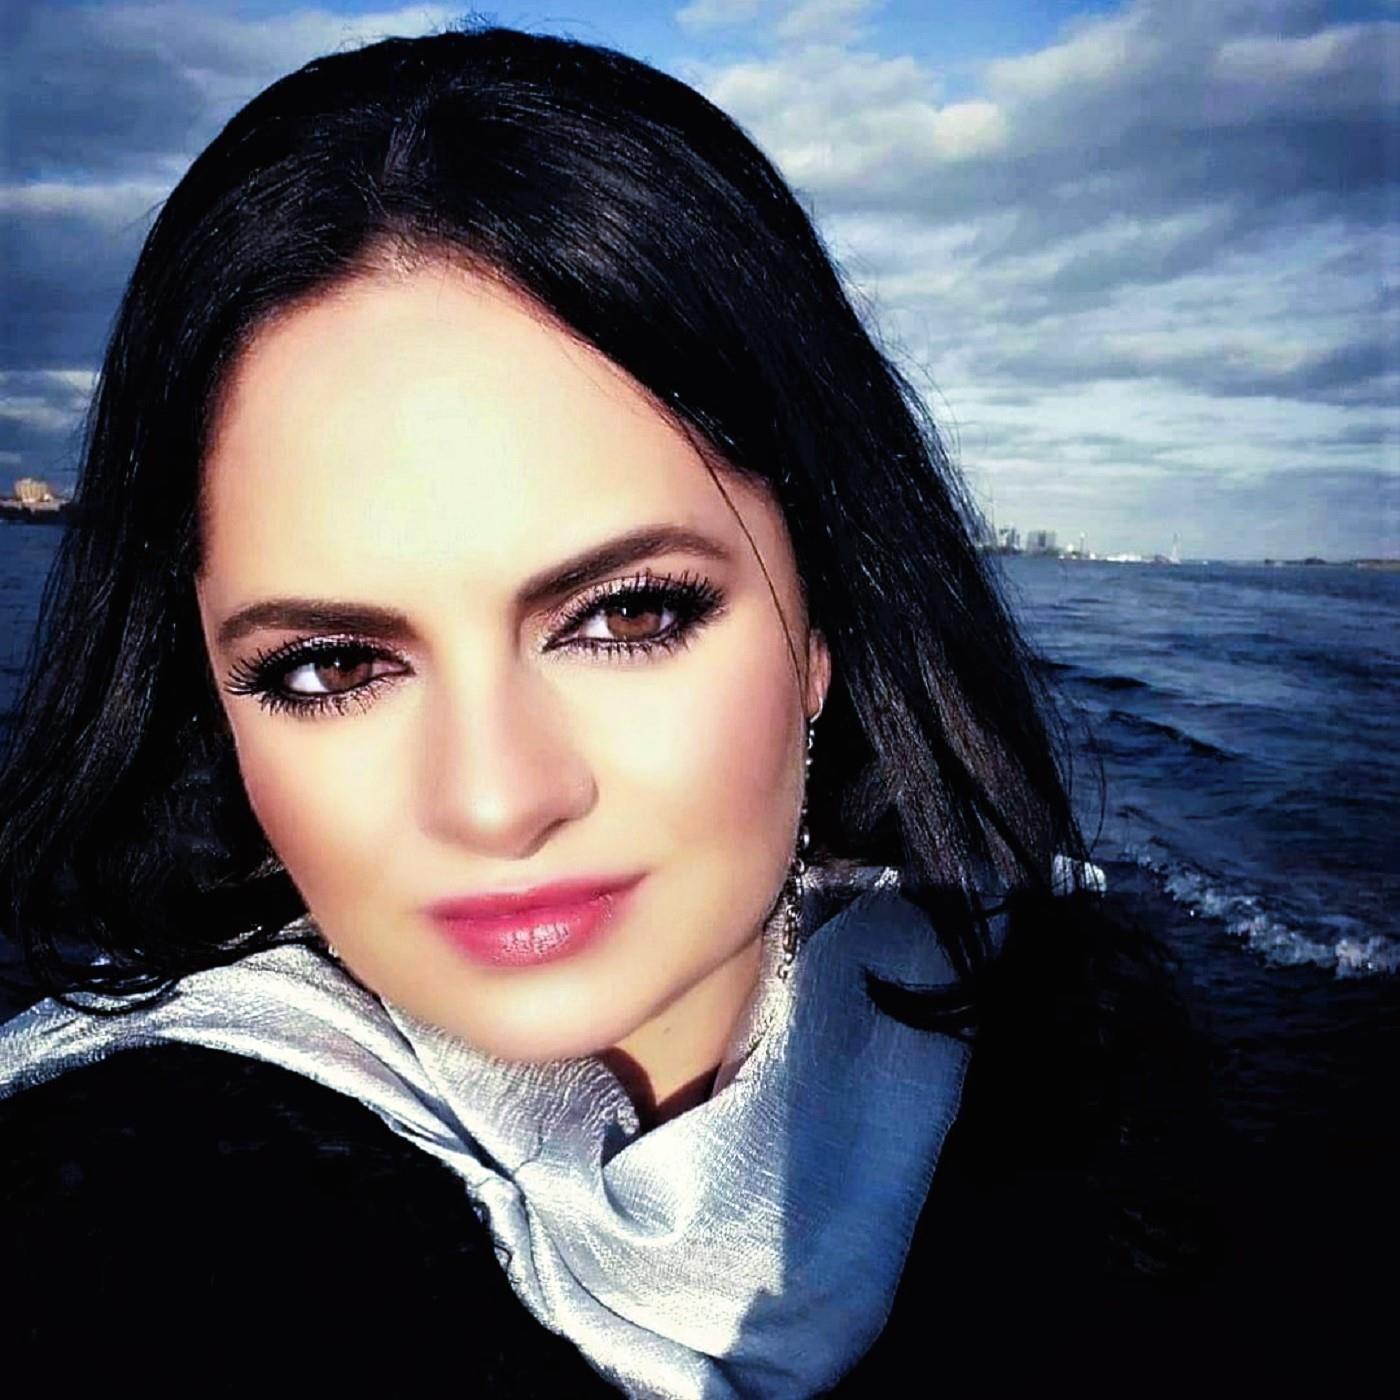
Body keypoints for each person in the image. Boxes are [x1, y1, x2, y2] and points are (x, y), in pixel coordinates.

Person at [0, 24, 1217, 1395]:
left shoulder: (1077, 1067)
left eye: (626, 615)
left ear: (825, 618)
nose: (495, 798)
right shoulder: (135, 1211)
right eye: (332, 665)